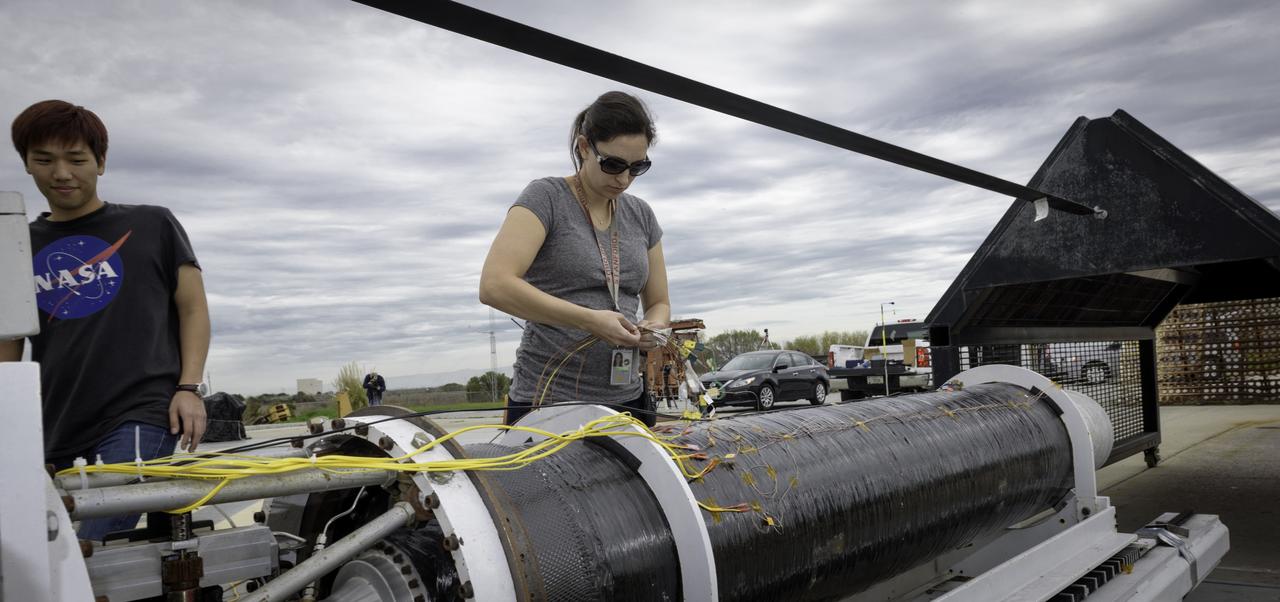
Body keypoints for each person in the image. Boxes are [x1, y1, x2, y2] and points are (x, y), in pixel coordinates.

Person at [1, 100, 210, 541]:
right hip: (57, 419)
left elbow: (192, 307)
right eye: (44, 160)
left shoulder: (152, 223)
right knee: (44, 548)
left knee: (88, 544)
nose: (61, 173)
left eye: (76, 159)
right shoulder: (17, 243)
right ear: (26, 165)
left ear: (100, 162)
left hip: (144, 410)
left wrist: (189, 387)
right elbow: (8, 346)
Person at [479, 91, 671, 427]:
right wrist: (590, 320)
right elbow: (495, 285)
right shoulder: (546, 198)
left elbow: (658, 302)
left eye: (638, 167)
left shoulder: (641, 215)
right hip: (548, 403)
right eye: (613, 165)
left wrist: (653, 328)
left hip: (628, 400)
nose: (624, 179)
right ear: (584, 147)